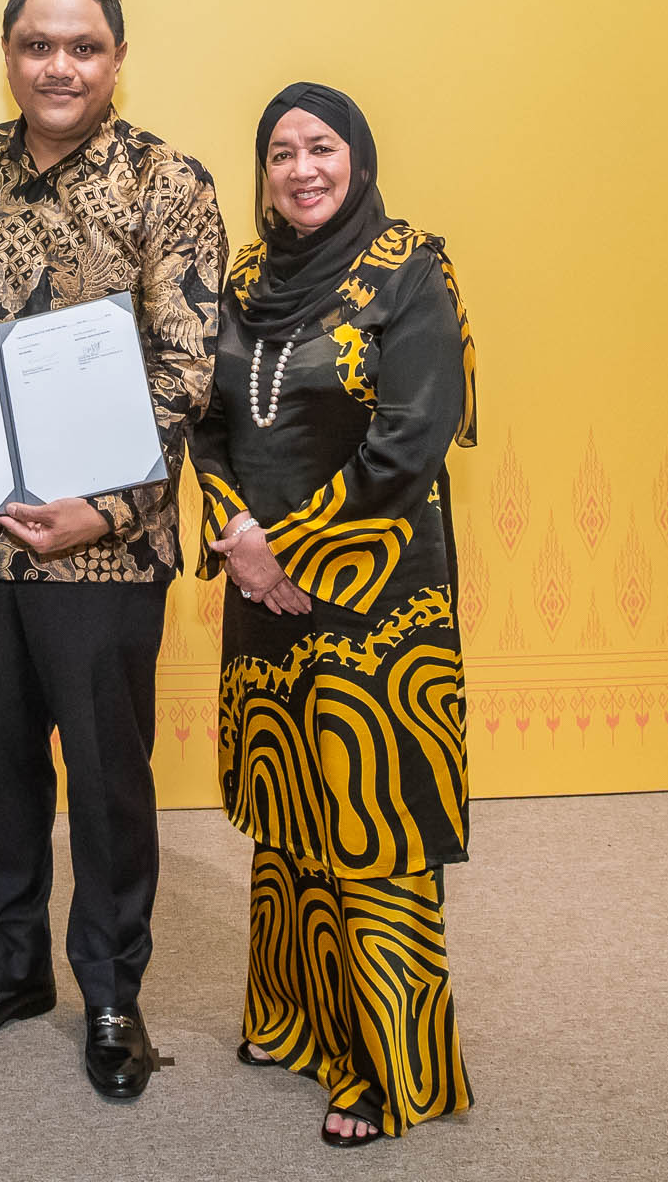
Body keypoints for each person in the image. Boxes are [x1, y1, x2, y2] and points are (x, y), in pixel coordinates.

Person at [0, 0, 227, 1100]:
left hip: (107, 548)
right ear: (10, 52)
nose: (59, 65)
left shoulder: (167, 181)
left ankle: (114, 989)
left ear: (117, 58)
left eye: (83, 46)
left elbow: (187, 371)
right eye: (39, 44)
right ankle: (9, 965)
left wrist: (109, 507)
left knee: (106, 776)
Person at [188, 83, 479, 1146]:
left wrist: (288, 547)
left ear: (356, 153)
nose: (301, 169)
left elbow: (412, 437)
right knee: (290, 812)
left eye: (321, 147)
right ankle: (292, 1015)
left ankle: (382, 1065)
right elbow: (208, 423)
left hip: (373, 601)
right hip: (267, 596)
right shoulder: (248, 278)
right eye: (280, 153)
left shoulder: (412, 265)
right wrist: (237, 538)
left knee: (371, 820)